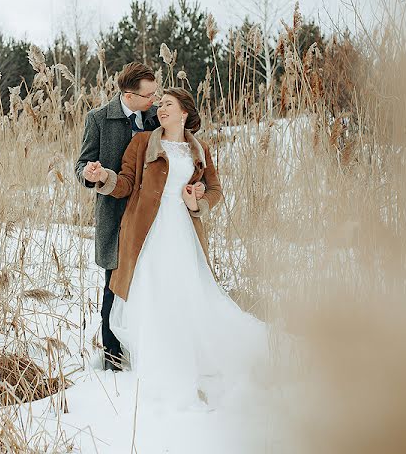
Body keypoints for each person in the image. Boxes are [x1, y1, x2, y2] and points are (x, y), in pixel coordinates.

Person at [84, 87, 268, 408]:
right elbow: (126, 183)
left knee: (186, 293)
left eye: (168, 104)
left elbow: (215, 189)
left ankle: (192, 358)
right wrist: (104, 177)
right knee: (153, 295)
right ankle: (156, 365)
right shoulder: (143, 142)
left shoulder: (199, 149)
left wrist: (197, 200)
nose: (161, 108)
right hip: (147, 232)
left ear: (184, 112)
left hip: (183, 232)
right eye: (160, 104)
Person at [75, 63, 204, 371]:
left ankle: (157, 349)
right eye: (149, 95)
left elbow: (182, 138)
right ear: (129, 95)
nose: (155, 100)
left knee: (153, 282)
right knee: (115, 285)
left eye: (157, 94)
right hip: (115, 211)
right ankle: (113, 358)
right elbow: (81, 165)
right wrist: (91, 174)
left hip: (154, 216)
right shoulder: (99, 119)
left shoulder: (154, 114)